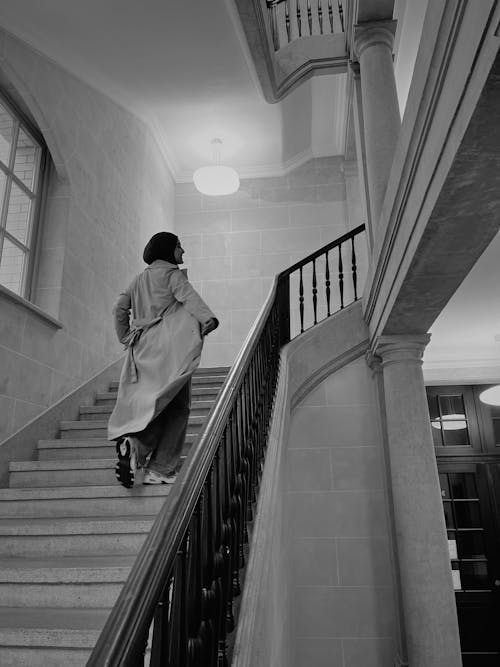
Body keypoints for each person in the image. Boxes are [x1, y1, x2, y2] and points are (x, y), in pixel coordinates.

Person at [108, 232, 219, 487]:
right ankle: (161, 468)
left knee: (156, 406)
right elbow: (189, 298)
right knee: (178, 407)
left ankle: (134, 447)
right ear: (168, 249)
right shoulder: (172, 275)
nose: (183, 252)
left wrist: (126, 336)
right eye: (180, 246)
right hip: (170, 353)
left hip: (143, 350)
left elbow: (119, 308)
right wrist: (208, 319)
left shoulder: (138, 280)